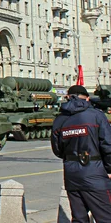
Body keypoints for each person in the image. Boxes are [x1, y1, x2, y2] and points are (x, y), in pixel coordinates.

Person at [51, 84, 111, 223]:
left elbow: (57, 149)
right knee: (106, 217)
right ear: (87, 98)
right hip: (95, 173)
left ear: (68, 97)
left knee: (79, 218)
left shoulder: (60, 120)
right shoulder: (96, 115)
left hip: (72, 174)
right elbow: (108, 145)